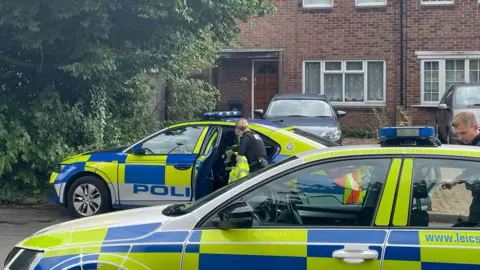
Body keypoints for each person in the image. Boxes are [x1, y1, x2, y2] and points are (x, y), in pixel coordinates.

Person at [440, 111, 480, 223]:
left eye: (463, 133)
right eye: (457, 134)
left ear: (475, 127)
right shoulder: (471, 144)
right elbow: (473, 168)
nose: (460, 137)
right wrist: (454, 181)